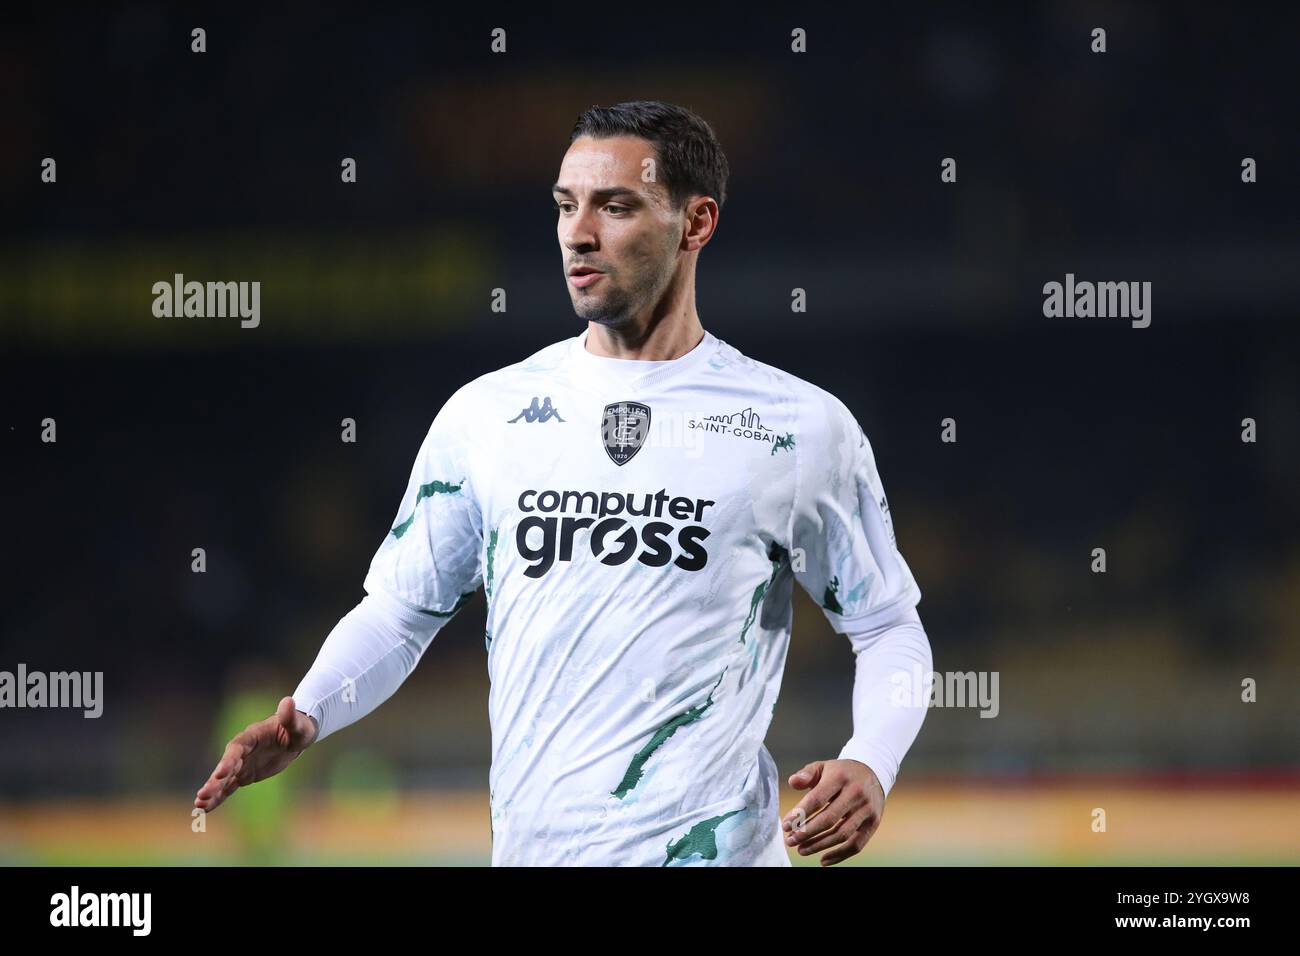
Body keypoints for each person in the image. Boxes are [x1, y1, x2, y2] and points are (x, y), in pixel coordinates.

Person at [196, 100, 933, 867]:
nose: (579, 232)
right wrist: (309, 711)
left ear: (697, 222)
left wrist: (872, 759)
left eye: (616, 207)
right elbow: (400, 614)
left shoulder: (797, 427)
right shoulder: (487, 416)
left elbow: (887, 627)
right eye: (565, 205)